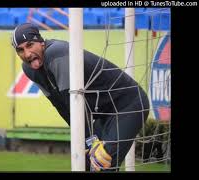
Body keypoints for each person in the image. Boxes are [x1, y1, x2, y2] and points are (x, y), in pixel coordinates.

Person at [11, 23, 150, 172]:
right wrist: (85, 139)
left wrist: (90, 140)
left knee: (101, 164)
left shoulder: (56, 53)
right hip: (105, 115)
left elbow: (73, 103)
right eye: (20, 50)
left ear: (41, 42)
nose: (27, 54)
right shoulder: (29, 69)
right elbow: (61, 106)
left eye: (30, 45)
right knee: (85, 164)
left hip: (128, 104)